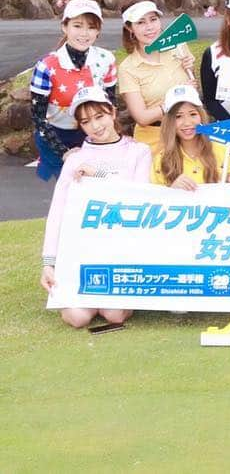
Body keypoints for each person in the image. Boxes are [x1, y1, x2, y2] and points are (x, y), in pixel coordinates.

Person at [40, 86, 152, 328]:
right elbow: (58, 211)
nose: (95, 126)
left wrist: (98, 174)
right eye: (86, 121)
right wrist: (49, 263)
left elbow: (139, 196)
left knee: (115, 315)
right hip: (84, 251)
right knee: (77, 318)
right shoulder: (76, 159)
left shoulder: (139, 152)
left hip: (123, 248)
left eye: (99, 116)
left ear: (112, 113)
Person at [30, 0, 118, 181]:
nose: (84, 33)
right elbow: (39, 117)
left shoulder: (106, 59)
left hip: (94, 134)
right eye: (77, 26)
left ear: (98, 31)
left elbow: (111, 104)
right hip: (55, 137)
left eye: (91, 27)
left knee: (100, 186)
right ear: (65, 26)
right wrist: (65, 153)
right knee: (70, 191)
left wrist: (105, 139)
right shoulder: (46, 65)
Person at [116, 0, 197, 147]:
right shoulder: (128, 68)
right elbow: (142, 117)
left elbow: (192, 91)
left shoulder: (178, 46)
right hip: (154, 138)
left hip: (188, 132)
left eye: (153, 19)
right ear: (129, 27)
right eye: (140, 22)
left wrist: (190, 71)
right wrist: (175, 99)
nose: (149, 27)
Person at [151, 85, 230, 188]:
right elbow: (156, 198)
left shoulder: (225, 149)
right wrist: (171, 190)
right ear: (169, 122)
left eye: (193, 114)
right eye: (178, 116)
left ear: (201, 116)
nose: (187, 123)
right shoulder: (161, 159)